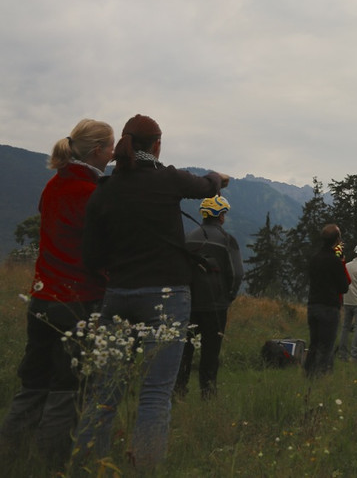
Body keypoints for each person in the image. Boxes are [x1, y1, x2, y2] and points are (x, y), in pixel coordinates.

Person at [71, 114, 228, 471]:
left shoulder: (104, 190)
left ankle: (86, 468)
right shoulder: (167, 180)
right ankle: (144, 469)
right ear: (157, 145)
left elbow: (91, 257)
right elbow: (207, 185)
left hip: (118, 294)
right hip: (167, 296)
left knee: (104, 394)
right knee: (155, 393)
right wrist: (219, 178)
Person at [0, 119, 114, 470]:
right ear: (97, 151)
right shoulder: (91, 193)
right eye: (110, 147)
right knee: (67, 390)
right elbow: (99, 252)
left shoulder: (53, 186)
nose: (113, 154)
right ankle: (49, 467)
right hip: (78, 300)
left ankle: (10, 458)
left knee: (33, 386)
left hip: (42, 298)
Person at [174, 195, 242, 400]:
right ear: (220, 216)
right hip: (216, 305)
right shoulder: (227, 240)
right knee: (211, 352)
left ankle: (179, 390)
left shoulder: (188, 237)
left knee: (184, 350)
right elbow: (237, 273)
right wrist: (230, 295)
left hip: (189, 303)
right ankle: (208, 393)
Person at [304, 224, 351, 377]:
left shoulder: (314, 258)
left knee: (314, 344)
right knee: (326, 346)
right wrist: (342, 262)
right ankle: (322, 377)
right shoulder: (335, 261)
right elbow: (344, 287)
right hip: (329, 307)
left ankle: (308, 375)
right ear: (337, 240)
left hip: (313, 305)